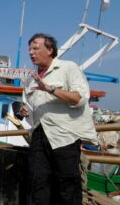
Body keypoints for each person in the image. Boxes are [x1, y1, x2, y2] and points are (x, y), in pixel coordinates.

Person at [19, 33, 97, 205]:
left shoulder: (68, 68)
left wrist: (50, 89)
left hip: (65, 137)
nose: (31, 52)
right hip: (39, 134)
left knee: (67, 186)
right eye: (29, 49)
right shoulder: (29, 79)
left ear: (50, 49)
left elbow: (79, 99)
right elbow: (31, 107)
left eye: (35, 48)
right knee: (36, 183)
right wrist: (26, 110)